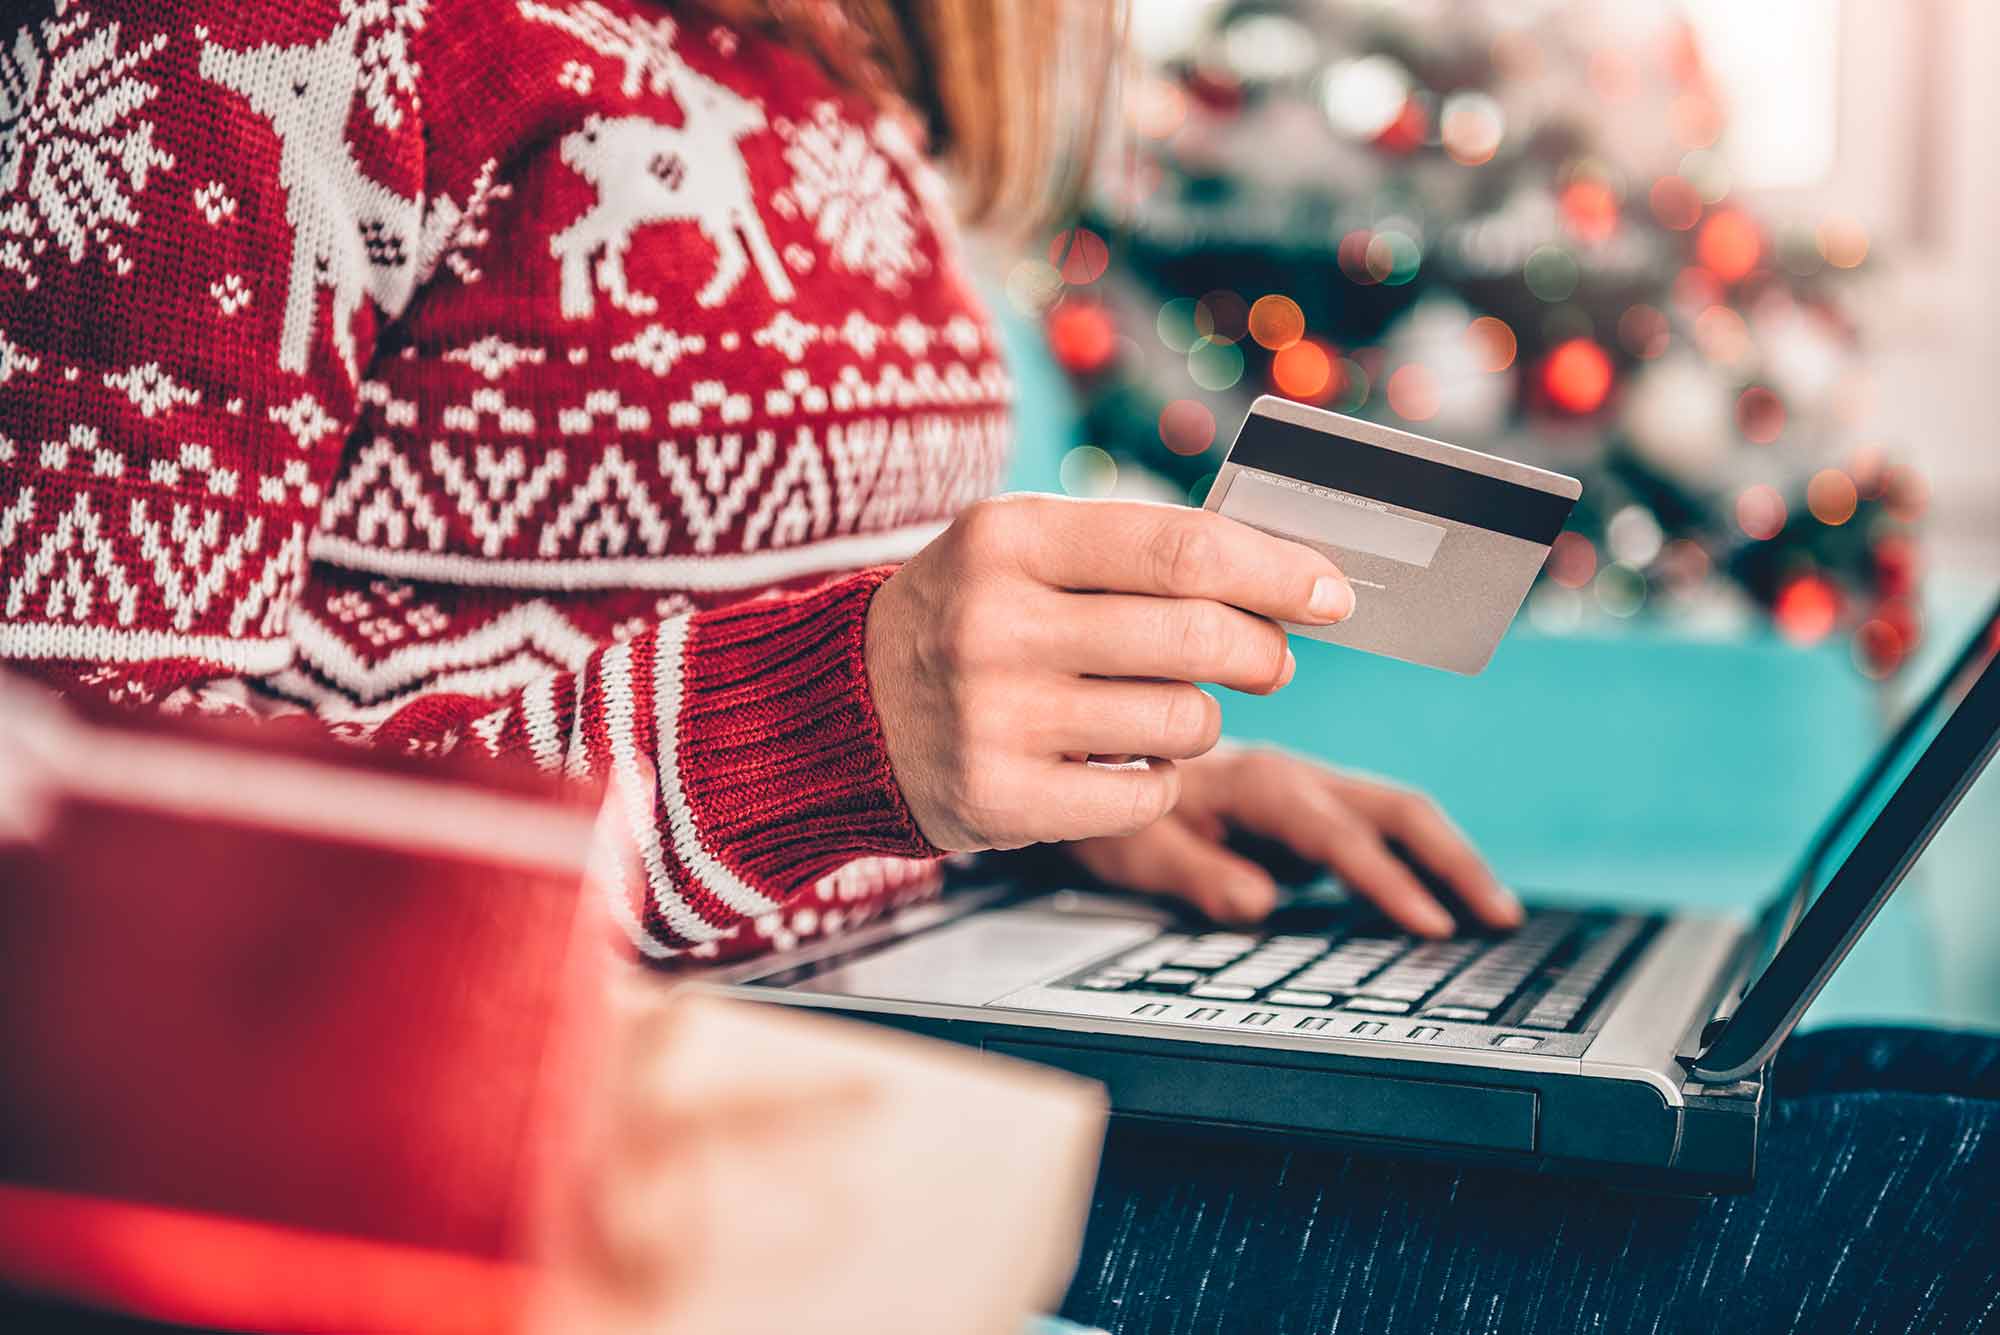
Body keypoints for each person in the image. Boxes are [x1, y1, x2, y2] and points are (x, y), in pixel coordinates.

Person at [1, 2, 1992, 1332]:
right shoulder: (237, 49)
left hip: (941, 999)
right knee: (1938, 1178)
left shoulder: (847, 61)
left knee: (1886, 1098)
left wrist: (1065, 779)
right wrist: (830, 723)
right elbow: (71, 889)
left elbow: (753, 640)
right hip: (654, 1137)